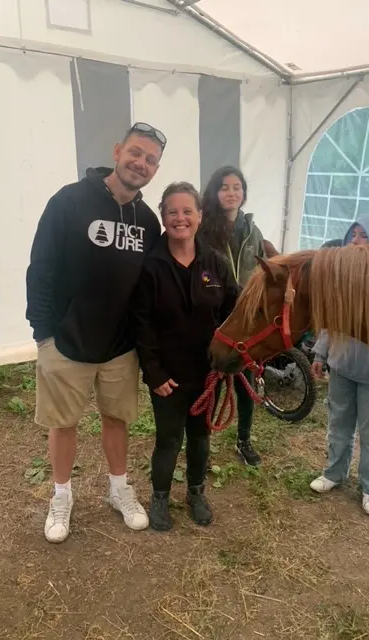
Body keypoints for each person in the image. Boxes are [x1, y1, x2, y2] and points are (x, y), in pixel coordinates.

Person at [26, 122, 164, 542]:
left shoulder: (147, 220)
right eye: (136, 153)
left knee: (116, 419)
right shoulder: (69, 201)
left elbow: (148, 286)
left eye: (151, 160)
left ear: (155, 169)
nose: (140, 163)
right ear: (118, 149)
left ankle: (119, 490)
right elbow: (41, 267)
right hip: (66, 342)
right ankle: (62, 496)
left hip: (120, 348)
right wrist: (43, 333)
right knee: (63, 423)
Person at [132, 182, 239, 531]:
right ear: (163, 217)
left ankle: (196, 493)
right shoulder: (150, 266)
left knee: (200, 437)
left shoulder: (216, 264)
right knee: (168, 439)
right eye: (172, 212)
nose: (180, 218)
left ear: (200, 216)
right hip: (169, 377)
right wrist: (154, 373)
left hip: (208, 375)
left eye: (187, 211)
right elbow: (142, 324)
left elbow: (233, 313)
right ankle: (160, 497)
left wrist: (226, 362)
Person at [310, 211, 369, 516]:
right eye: (353, 235)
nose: (357, 242)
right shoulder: (342, 276)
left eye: (365, 235)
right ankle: (334, 473)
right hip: (342, 366)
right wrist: (321, 353)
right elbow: (330, 320)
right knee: (338, 424)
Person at [199, 166, 267, 466]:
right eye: (224, 187)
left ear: (244, 193)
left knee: (245, 378)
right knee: (210, 380)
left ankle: (243, 440)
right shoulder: (204, 229)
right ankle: (203, 440)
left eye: (236, 187)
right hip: (214, 317)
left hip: (245, 320)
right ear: (215, 193)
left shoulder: (253, 230)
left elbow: (264, 267)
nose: (231, 192)